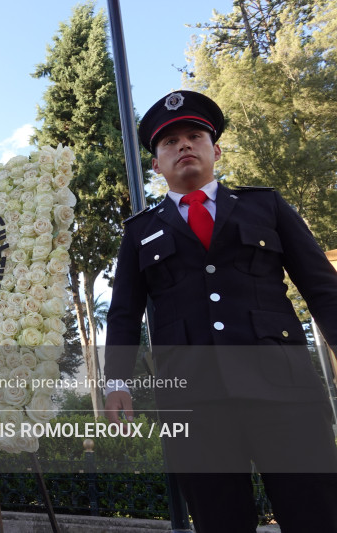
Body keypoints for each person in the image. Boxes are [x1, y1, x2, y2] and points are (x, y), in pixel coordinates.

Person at [103, 90, 337, 532]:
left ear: (216, 149)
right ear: (156, 165)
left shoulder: (264, 205)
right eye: (169, 143)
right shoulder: (140, 232)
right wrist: (117, 380)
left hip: (285, 394)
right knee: (218, 520)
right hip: (193, 401)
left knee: (316, 514)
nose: (184, 146)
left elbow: (323, 289)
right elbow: (123, 314)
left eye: (194, 136)